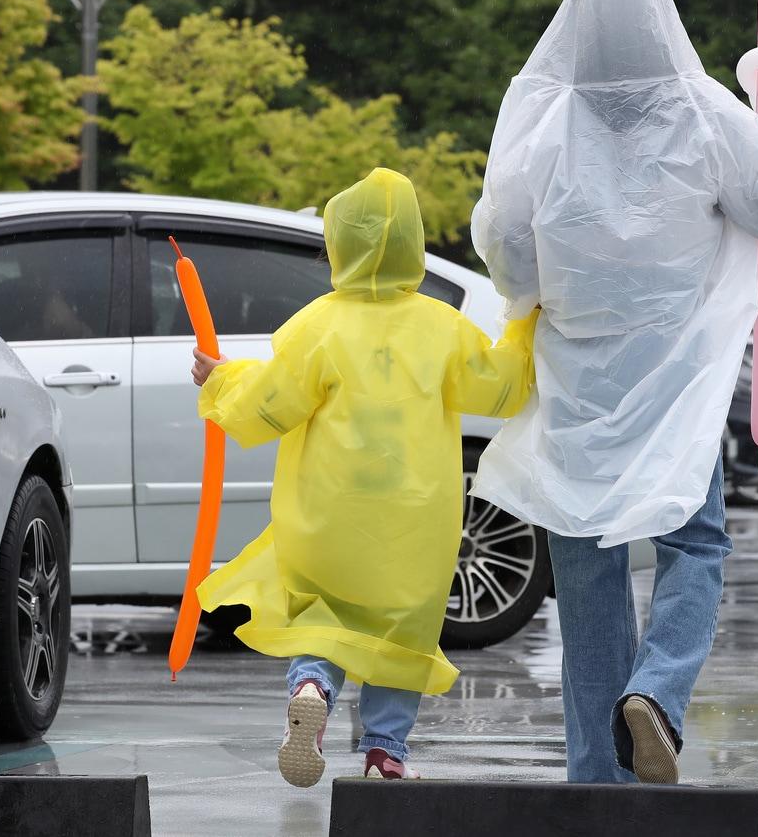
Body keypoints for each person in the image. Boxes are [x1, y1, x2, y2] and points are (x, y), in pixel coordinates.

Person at [469, 0, 758, 784]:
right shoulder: (707, 114)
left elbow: (506, 249)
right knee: (696, 543)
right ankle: (659, 692)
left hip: (577, 383)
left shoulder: (540, 126)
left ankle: (597, 778)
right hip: (677, 380)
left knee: (588, 571)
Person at [190, 168, 540, 787]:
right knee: (400, 630)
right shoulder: (444, 327)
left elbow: (267, 404)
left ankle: (312, 686)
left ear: (337, 245)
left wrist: (221, 378)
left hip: (328, 513)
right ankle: (386, 752)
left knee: (322, 611)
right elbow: (504, 388)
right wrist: (525, 322)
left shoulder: (315, 325)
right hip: (415, 515)